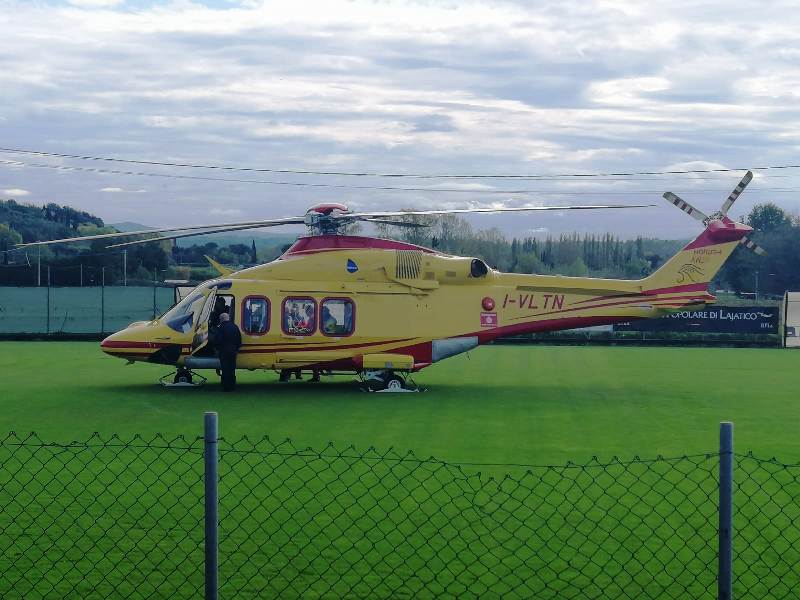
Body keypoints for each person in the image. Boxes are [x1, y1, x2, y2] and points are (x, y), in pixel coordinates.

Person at [214, 312, 241, 392]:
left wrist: (218, 349)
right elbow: (239, 340)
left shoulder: (220, 328)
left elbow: (218, 340)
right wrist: (236, 349)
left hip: (224, 352)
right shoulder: (235, 327)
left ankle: (226, 387)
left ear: (221, 320)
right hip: (233, 351)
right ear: (228, 318)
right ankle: (232, 385)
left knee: (225, 369)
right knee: (232, 369)